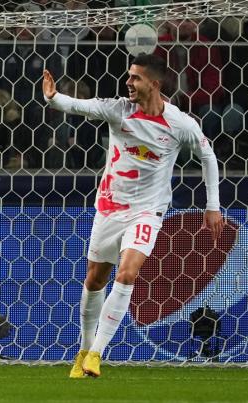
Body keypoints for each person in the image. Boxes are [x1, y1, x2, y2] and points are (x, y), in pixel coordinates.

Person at [42, 53, 223, 378]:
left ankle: (97, 353)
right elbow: (82, 107)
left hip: (147, 212)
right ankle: (83, 348)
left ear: (154, 84)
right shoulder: (119, 110)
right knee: (95, 279)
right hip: (110, 208)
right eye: (128, 76)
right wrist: (54, 98)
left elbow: (208, 157)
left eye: (135, 78)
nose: (128, 82)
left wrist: (213, 206)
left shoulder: (179, 122)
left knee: (127, 274)